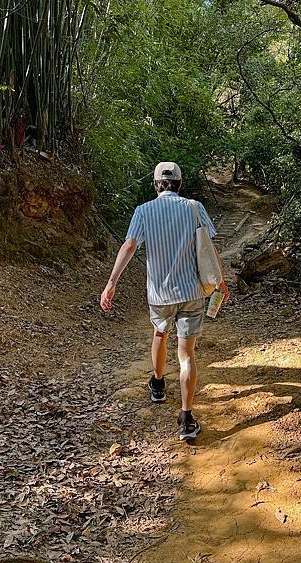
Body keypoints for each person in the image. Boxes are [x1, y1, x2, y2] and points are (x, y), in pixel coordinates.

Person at [100, 162, 229, 440]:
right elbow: (208, 247)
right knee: (186, 356)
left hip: (159, 294)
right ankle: (186, 417)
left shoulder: (143, 211)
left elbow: (130, 246)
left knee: (160, 332)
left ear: (156, 184)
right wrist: (220, 281)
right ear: (180, 184)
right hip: (191, 292)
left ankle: (158, 385)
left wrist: (112, 282)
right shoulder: (194, 208)